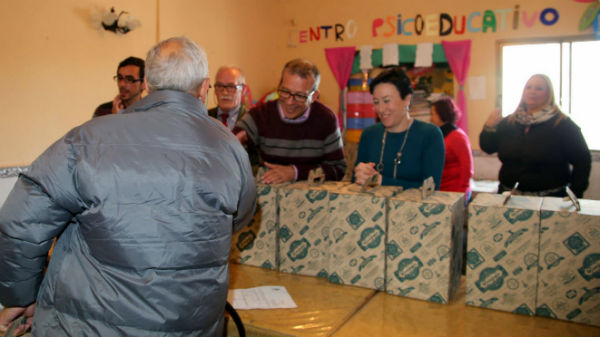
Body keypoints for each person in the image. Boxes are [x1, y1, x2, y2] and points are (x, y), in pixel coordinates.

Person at [0, 36, 256, 337]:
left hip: (88, 326)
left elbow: (20, 223)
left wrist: (21, 296)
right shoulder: (230, 146)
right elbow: (240, 218)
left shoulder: (86, 139)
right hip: (193, 326)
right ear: (204, 88)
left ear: (146, 83)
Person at [233, 58, 346, 184]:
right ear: (279, 85)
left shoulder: (326, 119)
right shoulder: (260, 115)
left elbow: (338, 169)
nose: (289, 102)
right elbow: (232, 140)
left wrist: (295, 172)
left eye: (300, 96)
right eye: (285, 92)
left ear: (314, 96)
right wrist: (233, 143)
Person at [480, 74, 591, 198]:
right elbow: (488, 148)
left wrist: (575, 192)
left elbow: (583, 160)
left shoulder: (562, 124)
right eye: (528, 87)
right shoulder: (509, 122)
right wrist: (489, 126)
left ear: (549, 94)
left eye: (539, 88)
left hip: (550, 199)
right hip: (509, 196)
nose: (532, 91)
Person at [354, 67, 445, 189]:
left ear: (407, 99)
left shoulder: (430, 135)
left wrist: (381, 181)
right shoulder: (369, 135)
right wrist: (360, 174)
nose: (381, 109)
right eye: (376, 102)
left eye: (387, 101)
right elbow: (355, 182)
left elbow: (430, 189)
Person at [430, 97, 474, 198]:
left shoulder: (458, 137)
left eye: (433, 114)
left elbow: (467, 170)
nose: (431, 118)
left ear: (442, 114)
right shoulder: (439, 135)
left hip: (455, 192)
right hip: (441, 190)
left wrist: (460, 195)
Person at [208, 66, 247, 130]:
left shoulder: (252, 121)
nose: (224, 92)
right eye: (219, 86)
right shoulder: (205, 117)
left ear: (243, 89)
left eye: (231, 86)